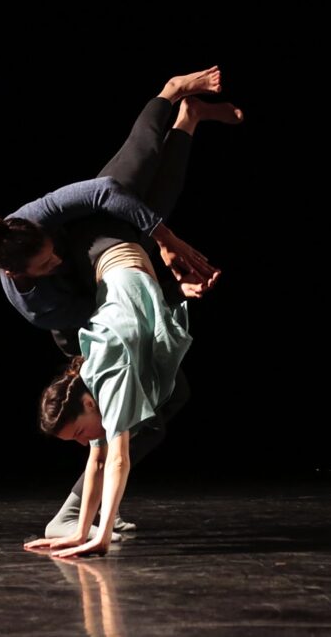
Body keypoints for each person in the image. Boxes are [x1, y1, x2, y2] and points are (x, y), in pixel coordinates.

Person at [24, 95, 244, 558]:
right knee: (162, 193)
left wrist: (97, 538)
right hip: (116, 269)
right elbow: (99, 451)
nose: (85, 440)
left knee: (140, 165)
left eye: (79, 431)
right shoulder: (76, 349)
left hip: (106, 244)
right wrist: (78, 532)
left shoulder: (110, 375)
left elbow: (115, 456)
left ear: (88, 398)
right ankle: (187, 120)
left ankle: (169, 96)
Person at [0, 67, 230, 352]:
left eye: (52, 253)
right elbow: (112, 302)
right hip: (98, 259)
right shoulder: (42, 309)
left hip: (94, 217)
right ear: (15, 273)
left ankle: (171, 92)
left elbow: (103, 190)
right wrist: (175, 291)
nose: (56, 260)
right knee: (167, 190)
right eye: (46, 264)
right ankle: (190, 116)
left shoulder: (30, 218)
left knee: (143, 157)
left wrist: (166, 238)